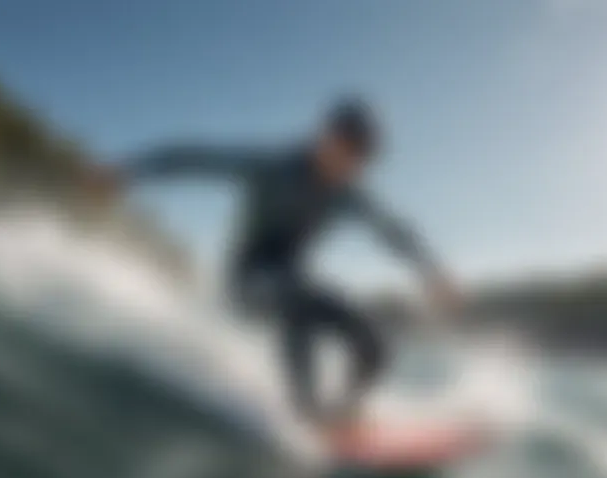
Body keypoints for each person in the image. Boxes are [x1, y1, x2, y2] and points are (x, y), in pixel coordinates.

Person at [111, 98, 457, 434]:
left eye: (362, 158)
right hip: (247, 283)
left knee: (372, 340)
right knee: (297, 298)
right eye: (350, 150)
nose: (354, 165)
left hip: (293, 284)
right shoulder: (270, 166)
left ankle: (345, 414)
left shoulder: (346, 194)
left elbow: (391, 229)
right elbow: (197, 157)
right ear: (327, 137)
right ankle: (307, 415)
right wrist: (132, 169)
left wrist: (430, 271)